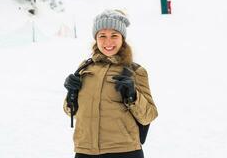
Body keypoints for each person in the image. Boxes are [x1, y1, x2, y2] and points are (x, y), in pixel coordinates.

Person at [63, 9, 158, 158]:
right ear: (96, 39)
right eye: (102, 36)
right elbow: (70, 111)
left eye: (114, 35)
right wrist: (71, 93)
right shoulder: (84, 68)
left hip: (124, 151)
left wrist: (133, 96)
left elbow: (149, 115)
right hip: (85, 151)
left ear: (122, 39)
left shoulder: (135, 71)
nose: (108, 42)